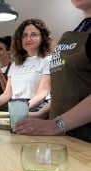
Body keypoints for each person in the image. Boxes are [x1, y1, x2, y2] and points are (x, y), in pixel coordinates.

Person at [15, 0, 91, 142]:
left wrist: (58, 124)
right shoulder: (76, 32)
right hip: (64, 134)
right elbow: (64, 92)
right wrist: (40, 115)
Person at [0, 19, 53, 112]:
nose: (28, 39)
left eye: (33, 35)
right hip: (15, 107)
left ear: (42, 37)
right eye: (24, 36)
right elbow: (7, 94)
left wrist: (22, 109)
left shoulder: (47, 60)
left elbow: (42, 94)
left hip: (36, 108)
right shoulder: (15, 64)